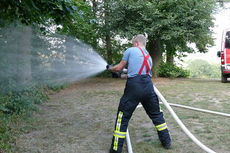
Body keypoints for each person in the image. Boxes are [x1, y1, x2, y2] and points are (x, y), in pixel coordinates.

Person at [108, 34, 171, 153]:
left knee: (123, 117)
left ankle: (116, 150)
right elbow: (138, 74)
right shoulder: (149, 56)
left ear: (136, 43)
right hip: (148, 86)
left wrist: (111, 69)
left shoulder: (130, 50)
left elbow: (119, 67)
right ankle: (166, 142)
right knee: (156, 115)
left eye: (133, 44)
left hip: (134, 88)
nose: (132, 46)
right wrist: (121, 76)